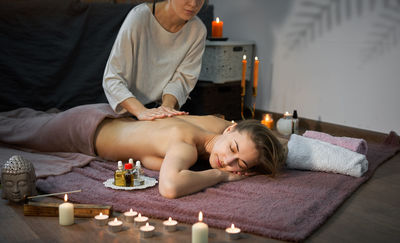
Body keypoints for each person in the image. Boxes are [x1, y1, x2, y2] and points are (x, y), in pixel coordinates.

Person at [0, 104, 287, 199]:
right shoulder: (185, 148)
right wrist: (221, 177)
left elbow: (271, 144)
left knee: (23, 122)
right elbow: (170, 187)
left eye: (240, 165)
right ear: (230, 130)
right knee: (12, 131)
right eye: (233, 149)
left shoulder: (215, 125)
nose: (228, 160)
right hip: (82, 132)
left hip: (106, 117)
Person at [103, 0, 211, 121]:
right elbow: (112, 79)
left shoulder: (198, 31)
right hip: (129, 109)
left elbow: (182, 80)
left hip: (164, 109)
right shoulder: (139, 17)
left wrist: (165, 109)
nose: (193, 3)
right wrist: (141, 112)